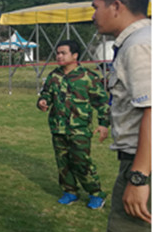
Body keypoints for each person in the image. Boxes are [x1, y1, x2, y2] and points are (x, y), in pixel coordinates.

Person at [90, 0, 151, 232]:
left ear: (116, 5)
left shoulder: (139, 45)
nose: (93, 14)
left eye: (96, 6)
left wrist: (139, 177)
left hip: (143, 166)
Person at [36, 39, 109, 208]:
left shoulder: (88, 77)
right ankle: (70, 192)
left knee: (81, 162)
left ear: (75, 55)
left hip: (79, 129)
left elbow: (102, 103)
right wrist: (42, 102)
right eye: (58, 53)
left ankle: (96, 194)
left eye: (63, 53)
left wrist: (104, 124)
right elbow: (46, 94)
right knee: (63, 162)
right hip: (58, 128)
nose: (59, 56)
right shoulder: (54, 76)